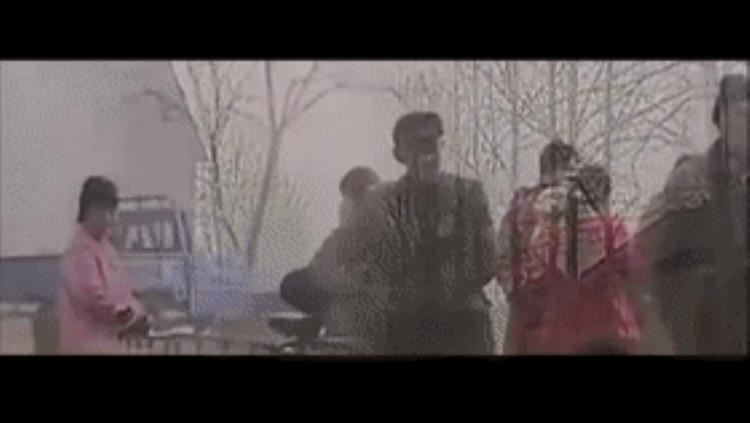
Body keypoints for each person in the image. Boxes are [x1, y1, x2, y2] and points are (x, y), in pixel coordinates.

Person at [340, 111, 497, 355]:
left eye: (431, 145)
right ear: (399, 154)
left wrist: (446, 290)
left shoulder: (468, 194)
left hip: (462, 327)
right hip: (406, 329)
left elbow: (487, 261)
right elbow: (365, 265)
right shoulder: (383, 203)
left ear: (442, 147)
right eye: (416, 147)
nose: (426, 156)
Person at [636, 74, 747, 355]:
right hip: (701, 329)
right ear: (720, 120)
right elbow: (654, 253)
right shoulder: (691, 178)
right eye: (739, 114)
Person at [279, 166, 386, 351]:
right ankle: (325, 322)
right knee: (293, 282)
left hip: (374, 310)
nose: (343, 206)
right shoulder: (340, 239)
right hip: (344, 306)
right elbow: (316, 270)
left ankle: (333, 323)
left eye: (347, 200)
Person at [495, 140, 578, 354]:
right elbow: (502, 255)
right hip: (531, 311)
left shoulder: (579, 210)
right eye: (568, 171)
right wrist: (516, 291)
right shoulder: (523, 206)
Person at [58, 176, 151, 354]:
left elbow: (123, 290)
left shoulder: (106, 248)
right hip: (85, 344)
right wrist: (126, 316)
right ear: (89, 211)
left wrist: (138, 312)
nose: (109, 218)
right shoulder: (81, 250)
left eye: (112, 212)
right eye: (104, 211)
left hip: (108, 342)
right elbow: (92, 295)